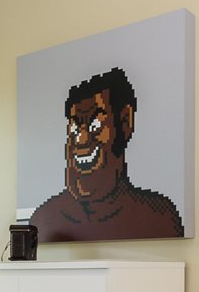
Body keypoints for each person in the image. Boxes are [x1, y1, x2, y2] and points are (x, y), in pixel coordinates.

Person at [30, 67, 184, 243]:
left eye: (95, 125)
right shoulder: (43, 218)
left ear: (125, 122)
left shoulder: (159, 217)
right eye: (75, 129)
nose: (81, 140)